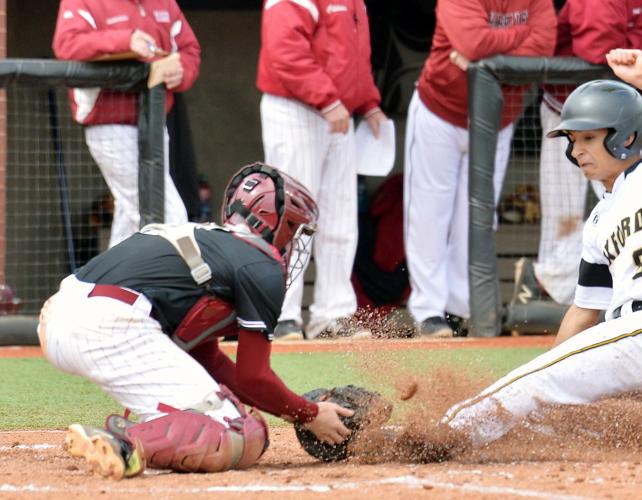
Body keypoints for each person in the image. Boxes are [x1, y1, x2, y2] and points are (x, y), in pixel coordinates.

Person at [442, 49, 642, 447]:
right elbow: (583, 311)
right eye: (574, 140)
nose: (577, 151)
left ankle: (441, 435)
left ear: (626, 137)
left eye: (589, 138)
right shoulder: (597, 220)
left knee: (532, 385)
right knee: (548, 414)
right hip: (629, 339)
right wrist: (552, 362)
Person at [37, 163, 355, 479]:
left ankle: (134, 435)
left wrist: (296, 408)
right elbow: (252, 377)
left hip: (60, 317)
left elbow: (210, 360)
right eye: (294, 229)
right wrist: (309, 414)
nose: (292, 242)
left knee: (228, 416)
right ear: (276, 222)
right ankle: (124, 443)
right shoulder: (261, 264)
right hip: (110, 323)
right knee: (238, 431)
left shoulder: (209, 242)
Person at [514, 0, 642, 310]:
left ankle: (609, 291)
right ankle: (547, 290)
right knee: (566, 216)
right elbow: (598, 46)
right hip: (568, 114)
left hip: (620, 116)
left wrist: (633, 42)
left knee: (631, 206)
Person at [404, 0, 556, 338]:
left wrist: (484, 57)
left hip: (497, 119)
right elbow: (472, 42)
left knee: (477, 216)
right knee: (429, 214)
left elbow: (544, 46)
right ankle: (428, 311)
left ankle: (459, 311)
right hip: (439, 112)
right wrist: (517, 39)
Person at [257, 0, 388, 340]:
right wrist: (328, 99)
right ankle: (283, 313)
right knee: (291, 216)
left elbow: (354, 58)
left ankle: (334, 314)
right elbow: (284, 51)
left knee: (340, 219)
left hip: (337, 112)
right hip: (296, 109)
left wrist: (369, 103)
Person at [52, 0, 201, 248]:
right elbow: (67, 44)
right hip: (108, 122)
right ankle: (195, 279)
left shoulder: (164, 3)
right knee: (165, 214)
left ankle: (104, 285)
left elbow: (189, 48)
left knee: (130, 224)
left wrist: (181, 71)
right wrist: (125, 40)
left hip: (153, 122)